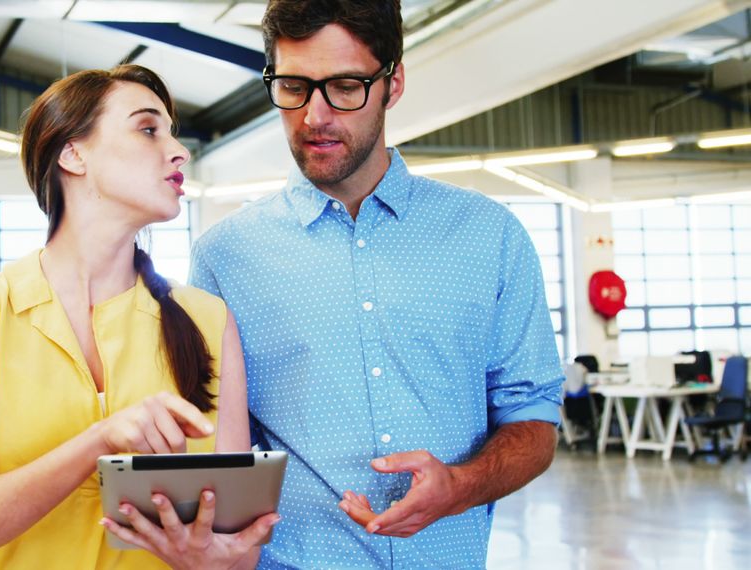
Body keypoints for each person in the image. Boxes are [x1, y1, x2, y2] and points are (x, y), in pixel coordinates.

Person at [189, 1, 565, 568]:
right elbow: (214, 447)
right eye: (292, 86)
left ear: (393, 83)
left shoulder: (490, 237)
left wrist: (461, 485)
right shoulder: (224, 257)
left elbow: (533, 417)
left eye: (344, 86)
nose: (314, 115)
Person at [0, 64, 277, 570]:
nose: (179, 151)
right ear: (73, 153)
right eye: (148, 129)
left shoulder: (208, 320)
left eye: (173, 134)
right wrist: (102, 441)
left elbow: (240, 557)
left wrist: (206, 557)